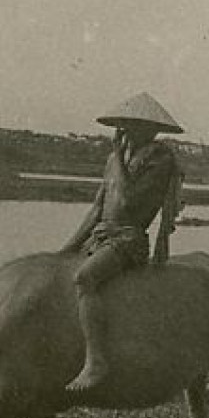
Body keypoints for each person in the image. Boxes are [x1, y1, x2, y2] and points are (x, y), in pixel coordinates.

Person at [59, 92, 184, 397]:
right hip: (100, 235)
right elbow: (96, 210)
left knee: (85, 278)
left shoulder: (160, 159)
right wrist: (65, 250)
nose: (126, 132)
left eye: (133, 126)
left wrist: (118, 160)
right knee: (54, 271)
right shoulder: (115, 160)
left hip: (128, 240)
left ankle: (96, 361)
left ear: (151, 130)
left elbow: (127, 202)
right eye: (124, 126)